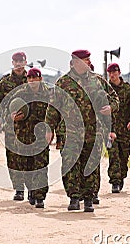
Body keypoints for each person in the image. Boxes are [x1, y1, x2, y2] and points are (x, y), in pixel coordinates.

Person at [45, 49, 119, 212]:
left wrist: (110, 107)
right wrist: (49, 128)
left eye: (88, 60)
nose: (88, 63)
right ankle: (74, 197)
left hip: (93, 131)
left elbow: (114, 98)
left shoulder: (97, 80)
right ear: (76, 62)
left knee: (90, 164)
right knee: (70, 164)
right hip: (69, 132)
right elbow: (53, 108)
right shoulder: (63, 82)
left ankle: (88, 198)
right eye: (86, 60)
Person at [8, 67, 50, 208]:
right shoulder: (20, 94)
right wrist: (13, 115)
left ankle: (40, 197)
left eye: (35, 78)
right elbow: (10, 111)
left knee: (41, 166)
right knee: (26, 167)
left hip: (40, 137)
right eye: (29, 78)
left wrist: (54, 132)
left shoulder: (48, 94)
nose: (32, 81)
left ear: (40, 79)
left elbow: (55, 113)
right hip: (23, 136)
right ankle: (31, 189)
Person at [0, 51, 28, 201]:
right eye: (16, 61)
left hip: (29, 126)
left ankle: (32, 187)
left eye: (21, 61)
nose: (19, 64)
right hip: (11, 125)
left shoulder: (32, 78)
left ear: (25, 62)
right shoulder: (5, 82)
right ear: (12, 63)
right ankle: (18, 188)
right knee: (13, 158)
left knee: (30, 156)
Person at [106, 63, 130, 193]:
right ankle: (115, 181)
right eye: (110, 73)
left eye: (114, 72)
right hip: (110, 128)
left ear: (119, 72)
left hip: (124, 128)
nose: (112, 75)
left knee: (124, 155)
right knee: (113, 155)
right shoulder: (105, 89)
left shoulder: (128, 89)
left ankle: (121, 176)